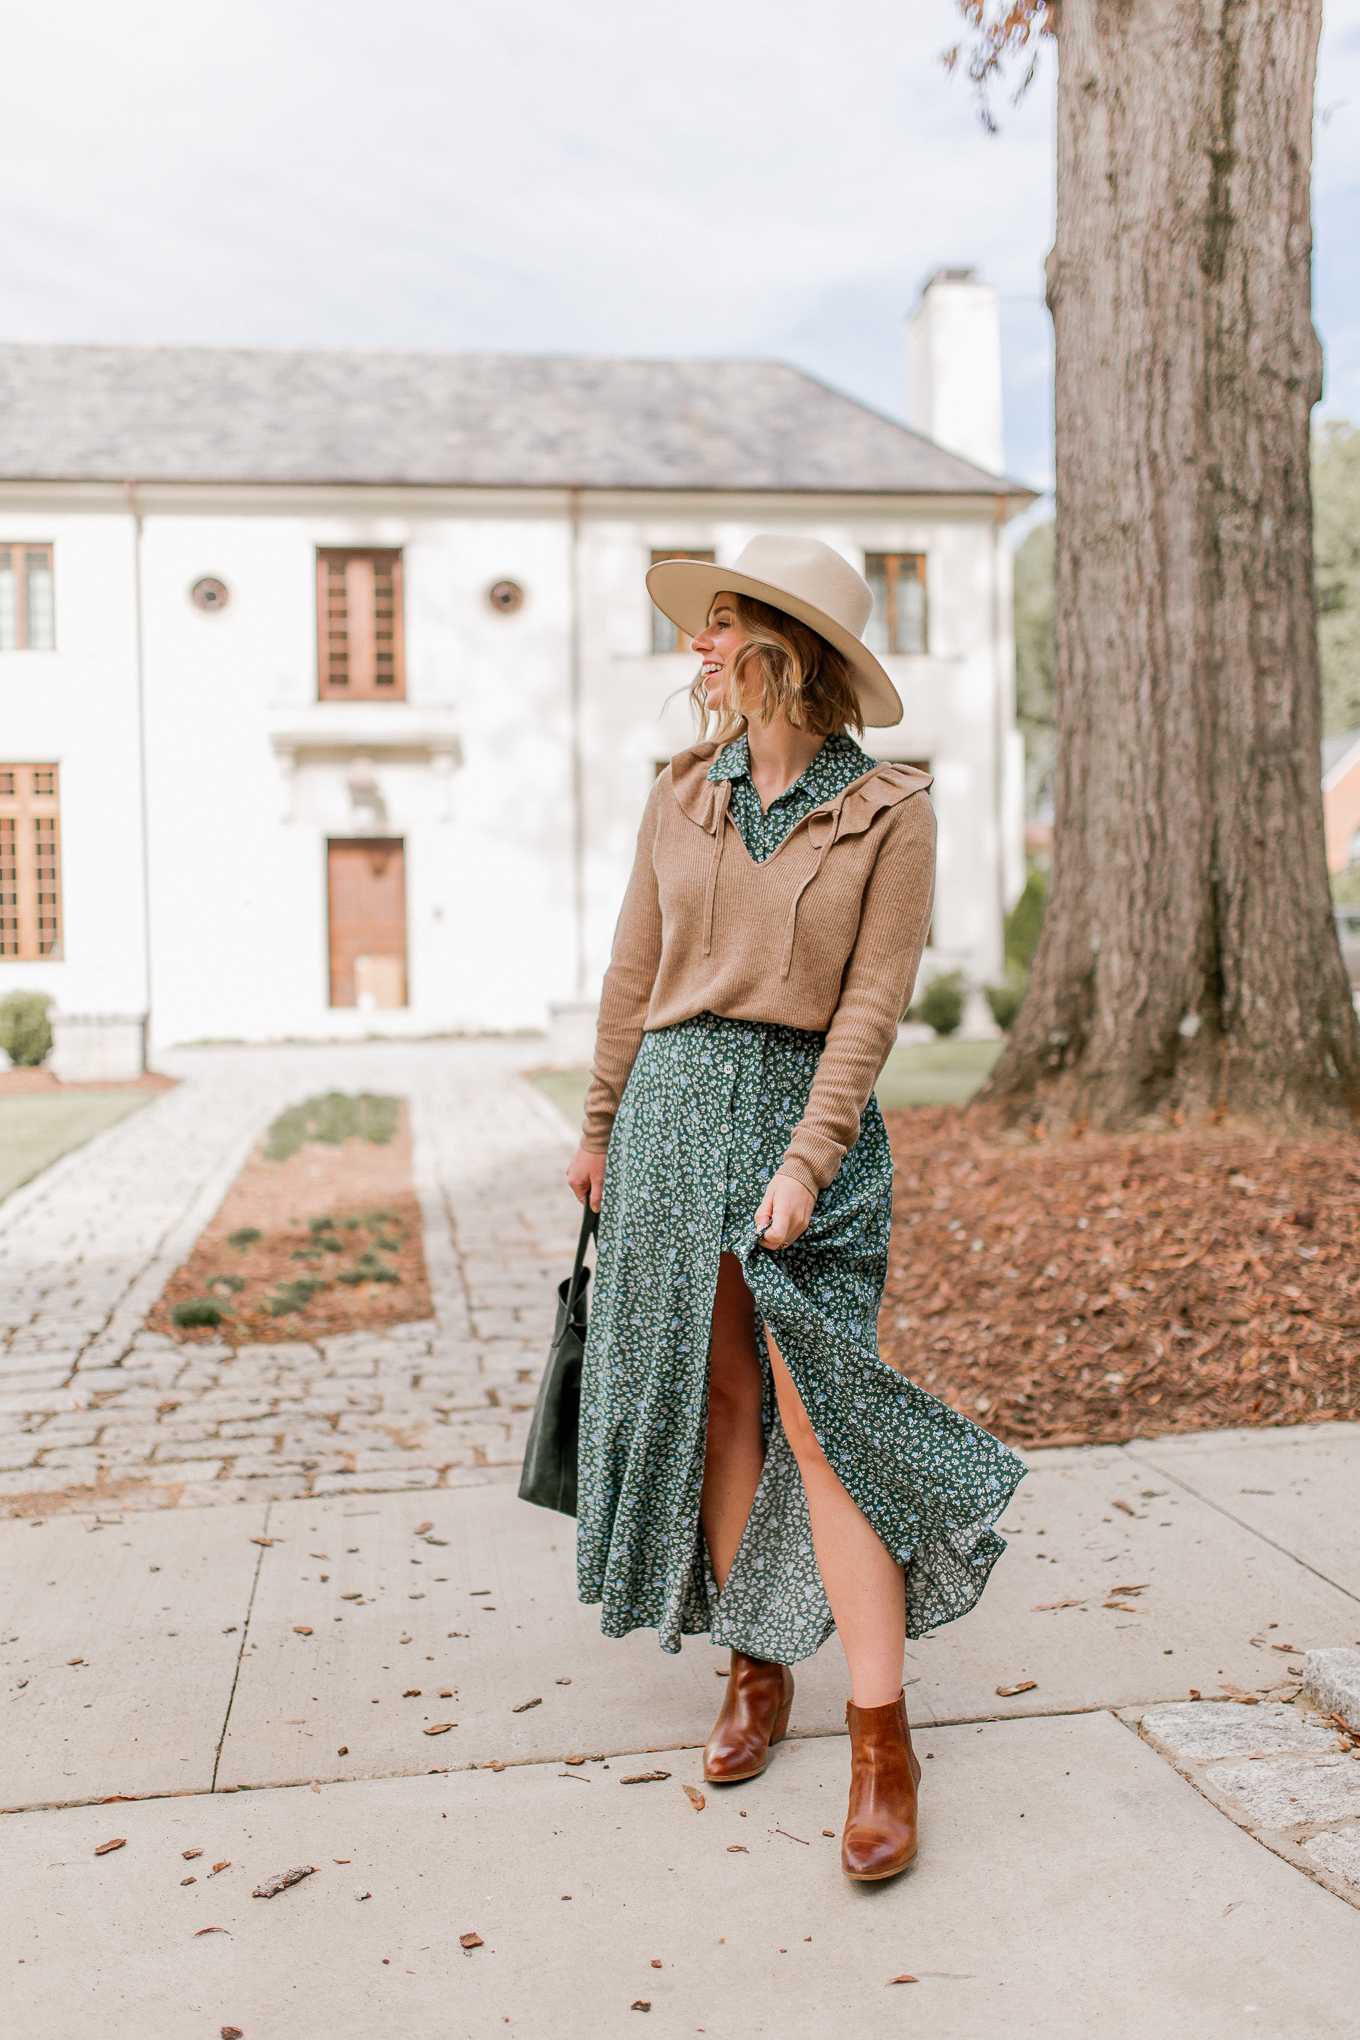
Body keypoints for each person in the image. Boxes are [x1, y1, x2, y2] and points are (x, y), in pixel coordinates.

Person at [566, 535, 1023, 1882]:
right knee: (722, 1407)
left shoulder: (892, 811)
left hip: (796, 1133)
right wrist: (597, 1127)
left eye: (719, 628)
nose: (696, 650)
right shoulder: (678, 796)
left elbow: (870, 1012)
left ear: (780, 647)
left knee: (826, 1428)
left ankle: (884, 1741)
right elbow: (630, 971)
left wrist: (807, 1163)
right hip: (665, 1122)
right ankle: (755, 1671)